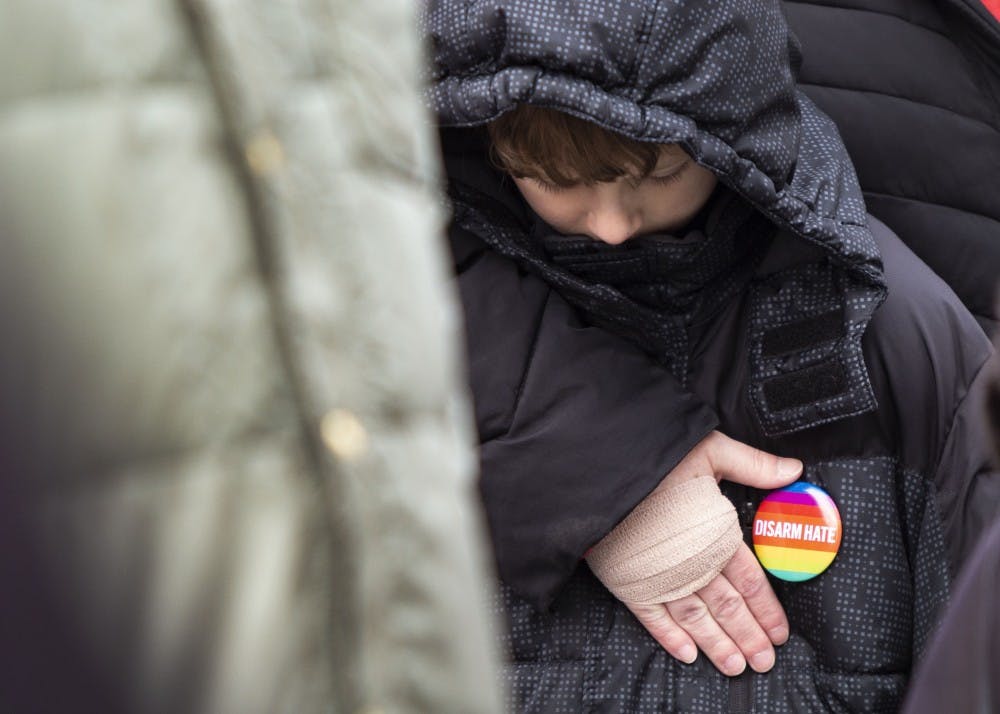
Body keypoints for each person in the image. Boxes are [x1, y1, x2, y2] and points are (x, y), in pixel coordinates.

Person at [421, 0, 1000, 710]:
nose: (609, 226)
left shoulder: (894, 336)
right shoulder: (397, 332)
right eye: (555, 178)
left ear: (731, 123)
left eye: (658, 174)